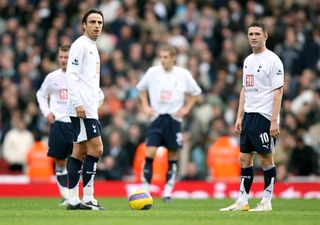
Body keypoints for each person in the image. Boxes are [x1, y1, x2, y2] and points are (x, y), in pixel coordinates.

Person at [220, 21, 284, 212]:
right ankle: (242, 201)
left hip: (264, 116)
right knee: (244, 159)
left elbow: (278, 91)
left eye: (257, 33)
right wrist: (239, 116)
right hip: (249, 115)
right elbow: (244, 90)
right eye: (250, 34)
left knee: (265, 159)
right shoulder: (248, 60)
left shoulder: (273, 60)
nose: (253, 37)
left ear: (266, 36)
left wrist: (273, 120)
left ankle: (266, 201)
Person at [136, 44, 202, 202]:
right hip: (157, 118)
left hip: (174, 119)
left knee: (172, 155)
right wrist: (145, 106)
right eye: (161, 57)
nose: (163, 60)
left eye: (166, 57)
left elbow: (196, 92)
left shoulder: (182, 74)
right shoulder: (153, 72)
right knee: (150, 152)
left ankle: (167, 191)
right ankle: (146, 190)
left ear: (173, 58)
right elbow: (141, 88)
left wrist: (186, 108)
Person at [65, 8, 105, 210]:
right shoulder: (80, 45)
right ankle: (87, 197)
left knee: (79, 150)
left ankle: (73, 200)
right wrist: (78, 103)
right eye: (92, 22)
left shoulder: (92, 46)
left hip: (89, 106)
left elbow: (86, 78)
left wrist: (97, 94)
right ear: (83, 25)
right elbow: (70, 76)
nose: (97, 26)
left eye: (99, 22)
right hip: (82, 109)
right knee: (97, 149)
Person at [36, 45, 73, 206]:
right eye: (61, 57)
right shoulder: (52, 77)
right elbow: (41, 94)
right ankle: (65, 196)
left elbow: (98, 94)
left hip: (76, 123)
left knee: (78, 160)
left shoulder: (80, 76)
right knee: (60, 161)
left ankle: (77, 195)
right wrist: (47, 112)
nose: (63, 60)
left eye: (66, 57)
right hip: (58, 124)